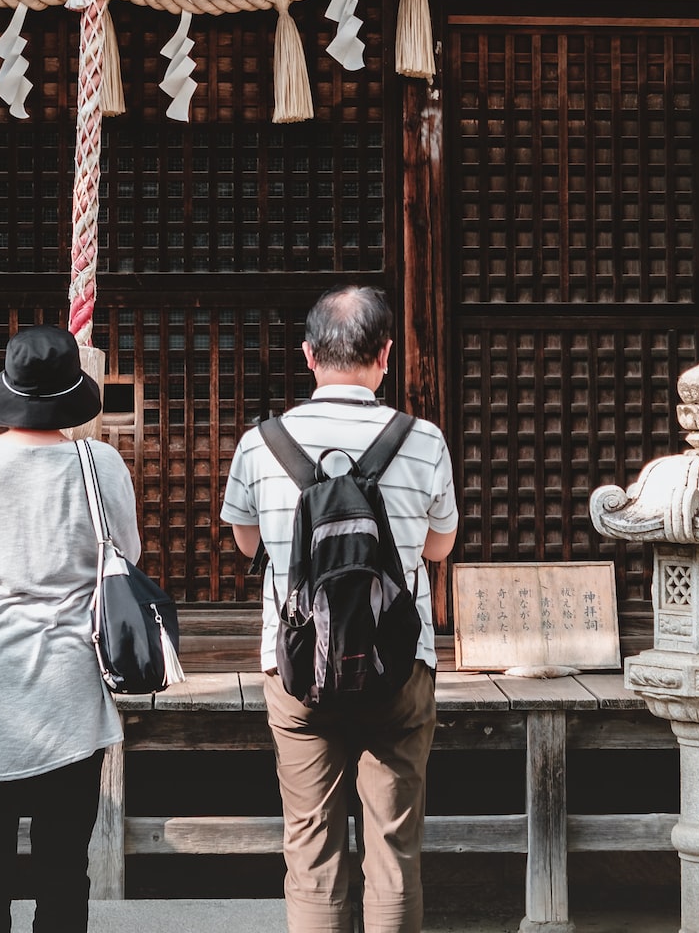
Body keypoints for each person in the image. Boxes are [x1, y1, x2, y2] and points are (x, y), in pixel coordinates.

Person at [221, 285, 460, 933]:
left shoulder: (262, 442)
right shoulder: (423, 439)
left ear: (308, 354)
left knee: (311, 848)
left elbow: (247, 542)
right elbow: (439, 548)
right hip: (400, 665)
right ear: (385, 355)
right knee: (393, 848)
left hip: (298, 666)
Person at [0, 323, 140, 933]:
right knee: (62, 865)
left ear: (9, 386)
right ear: (71, 390)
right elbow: (124, 554)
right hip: (68, 680)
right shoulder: (99, 462)